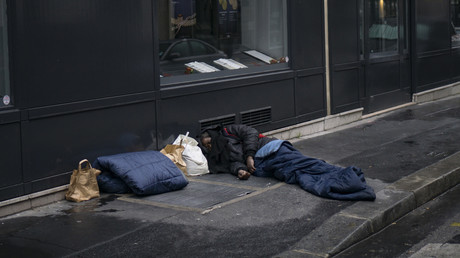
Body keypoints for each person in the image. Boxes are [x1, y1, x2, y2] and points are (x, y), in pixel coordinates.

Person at [199, 124, 376, 201]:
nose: (210, 146)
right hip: (264, 166)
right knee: (298, 174)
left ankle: (348, 176)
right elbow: (232, 164)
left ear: (213, 135)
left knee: (304, 165)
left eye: (209, 141)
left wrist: (249, 156)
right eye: (207, 146)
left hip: (270, 149)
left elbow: (250, 133)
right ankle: (345, 182)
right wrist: (239, 171)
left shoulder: (228, 131)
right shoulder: (219, 156)